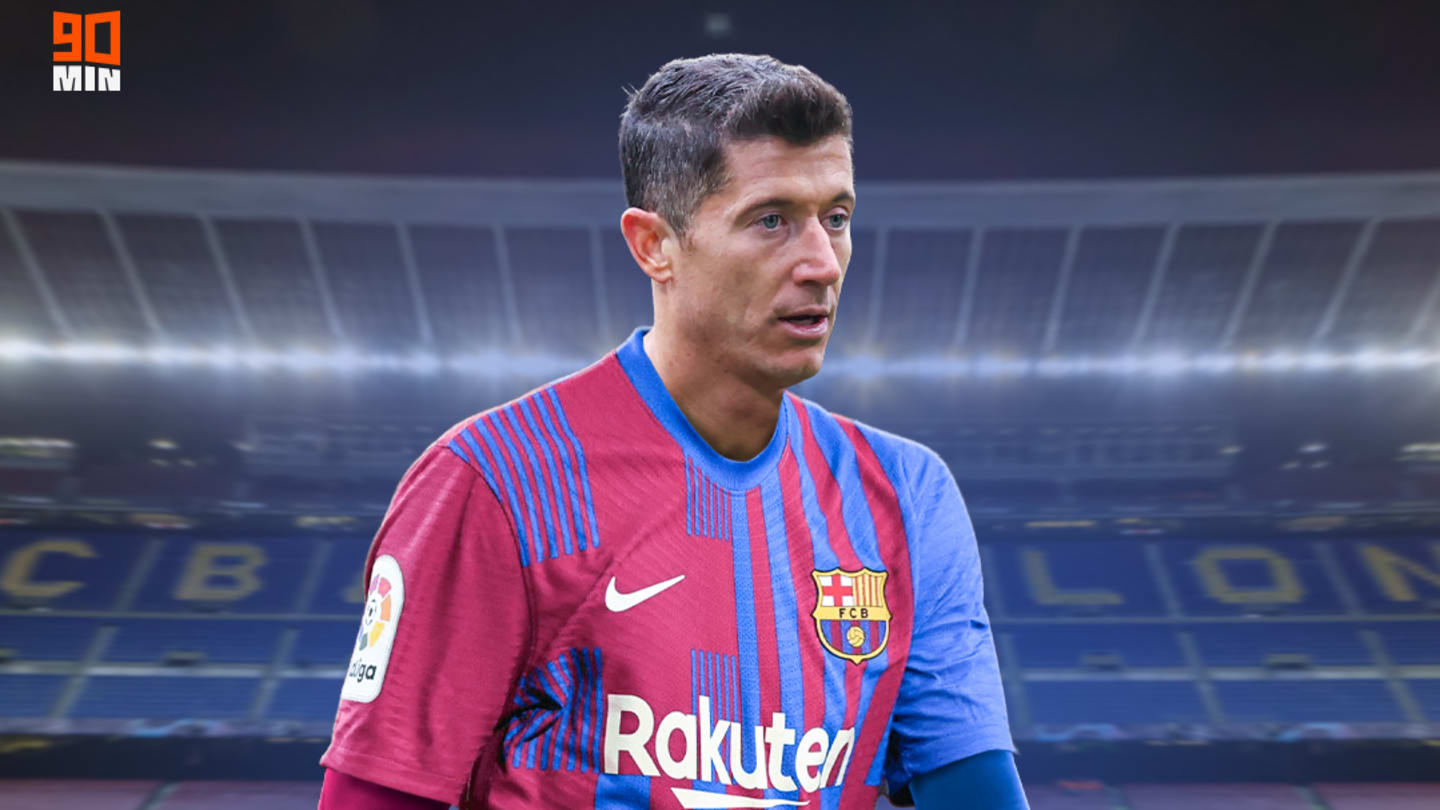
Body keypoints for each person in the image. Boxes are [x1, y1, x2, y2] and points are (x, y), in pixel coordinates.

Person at [318, 53, 1028, 810]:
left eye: (837, 218)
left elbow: (974, 793)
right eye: (771, 220)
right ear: (653, 245)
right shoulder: (496, 480)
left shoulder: (907, 496)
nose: (822, 263)